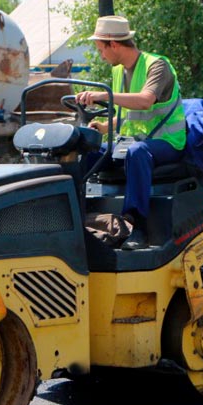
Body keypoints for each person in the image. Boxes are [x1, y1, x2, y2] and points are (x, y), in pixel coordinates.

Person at [77, 15, 187, 249]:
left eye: (101, 50)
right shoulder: (119, 72)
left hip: (166, 142)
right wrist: (104, 127)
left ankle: (136, 227)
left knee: (136, 153)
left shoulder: (157, 66)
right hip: (131, 141)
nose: (101, 56)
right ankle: (74, 217)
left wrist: (104, 95)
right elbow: (127, 115)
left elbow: (145, 101)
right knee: (84, 150)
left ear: (113, 44)